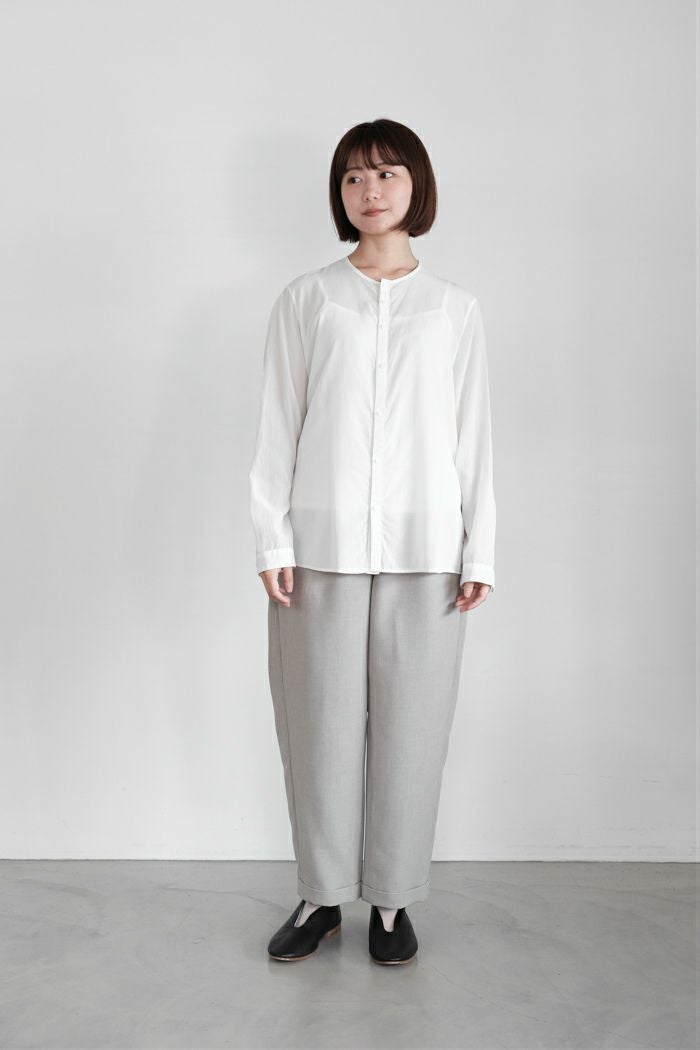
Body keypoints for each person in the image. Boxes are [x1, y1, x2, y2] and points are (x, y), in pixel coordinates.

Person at [248, 117, 496, 965]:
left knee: (412, 731)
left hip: (429, 549)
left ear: (416, 185)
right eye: (353, 178)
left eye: (386, 174)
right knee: (316, 726)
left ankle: (392, 901)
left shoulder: (454, 308)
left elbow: (473, 435)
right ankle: (321, 896)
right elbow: (279, 423)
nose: (370, 191)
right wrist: (271, 539)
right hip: (319, 547)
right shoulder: (308, 299)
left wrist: (480, 549)